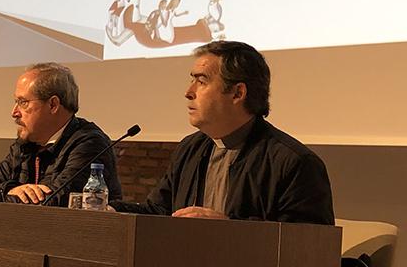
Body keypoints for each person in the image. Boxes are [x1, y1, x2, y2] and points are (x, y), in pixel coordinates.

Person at [112, 41, 334, 224]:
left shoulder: (294, 163)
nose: (188, 92)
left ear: (238, 93)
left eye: (201, 81)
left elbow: (307, 246)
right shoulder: (190, 149)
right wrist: (110, 210)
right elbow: (160, 212)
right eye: (192, 80)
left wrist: (229, 227)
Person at [0, 62, 122, 206]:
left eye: (23, 102)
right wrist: (7, 190)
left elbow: (53, 202)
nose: (14, 112)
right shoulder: (24, 145)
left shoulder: (90, 144)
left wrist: (3, 194)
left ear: (53, 105)